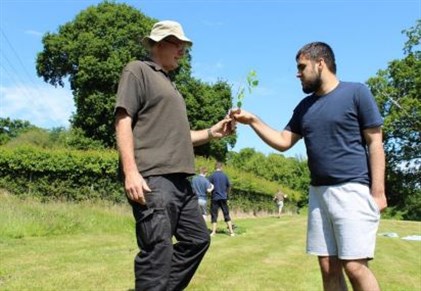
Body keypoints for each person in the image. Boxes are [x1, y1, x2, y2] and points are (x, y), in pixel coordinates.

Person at [231, 42, 387, 291]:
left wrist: (378, 192)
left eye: (302, 67)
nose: (298, 73)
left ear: (320, 63)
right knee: (327, 267)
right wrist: (252, 120)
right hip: (318, 194)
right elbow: (283, 142)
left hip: (352, 191)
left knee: (355, 267)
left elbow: (375, 141)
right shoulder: (305, 107)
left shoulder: (357, 92)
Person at [114, 20, 234, 291]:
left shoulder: (171, 86)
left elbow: (183, 137)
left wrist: (213, 133)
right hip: (153, 179)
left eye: (184, 46)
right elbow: (123, 119)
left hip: (182, 183)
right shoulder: (138, 71)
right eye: (176, 43)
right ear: (157, 44)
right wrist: (131, 171)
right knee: (157, 252)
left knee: (197, 240)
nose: (182, 50)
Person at [208, 161, 235, 237]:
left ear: (215, 167)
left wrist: (210, 192)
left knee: (214, 214)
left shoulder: (211, 176)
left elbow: (208, 186)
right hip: (223, 197)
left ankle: (213, 232)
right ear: (221, 167)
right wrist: (227, 194)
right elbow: (229, 186)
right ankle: (231, 232)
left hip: (215, 198)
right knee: (226, 214)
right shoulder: (225, 176)